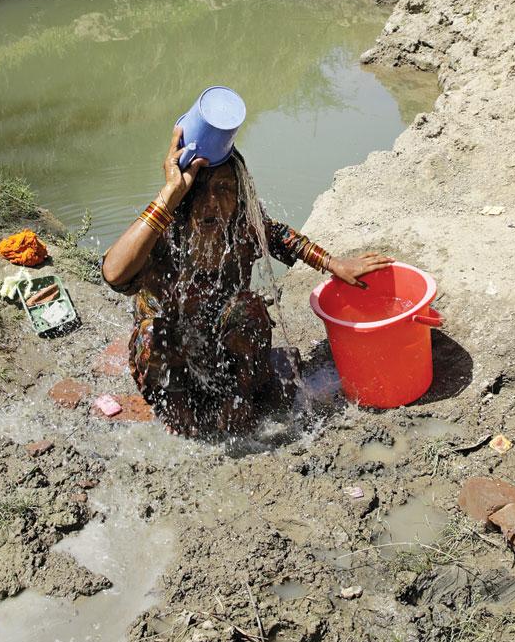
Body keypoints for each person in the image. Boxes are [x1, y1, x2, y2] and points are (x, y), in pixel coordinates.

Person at [101, 126, 393, 437]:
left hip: (224, 352)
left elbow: (280, 236)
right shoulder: (163, 235)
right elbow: (114, 274)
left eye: (224, 188)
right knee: (151, 333)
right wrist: (170, 193)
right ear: (184, 197)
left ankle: (235, 404)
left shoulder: (240, 228)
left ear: (240, 196)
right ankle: (180, 417)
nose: (212, 201)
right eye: (199, 189)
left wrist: (333, 263)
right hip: (173, 360)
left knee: (248, 307)